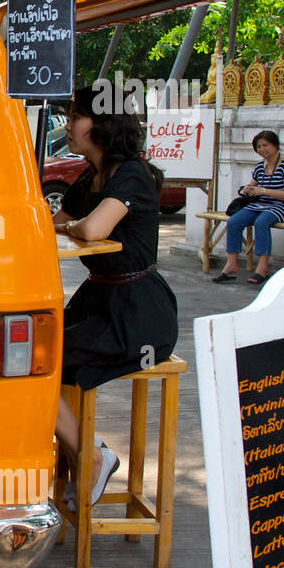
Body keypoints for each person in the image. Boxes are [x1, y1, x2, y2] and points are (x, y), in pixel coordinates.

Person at [52, 87, 178, 510]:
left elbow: (91, 230)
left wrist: (73, 227)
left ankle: (90, 455)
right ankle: (77, 453)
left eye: (76, 116)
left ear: (104, 125)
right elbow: (52, 222)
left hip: (138, 313)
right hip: (98, 300)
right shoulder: (90, 175)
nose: (68, 125)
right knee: (29, 352)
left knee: (38, 362)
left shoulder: (132, 175)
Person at [212, 130, 284, 285]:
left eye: (265, 145)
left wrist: (265, 191)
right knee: (234, 221)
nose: (262, 149)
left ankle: (262, 268)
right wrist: (247, 190)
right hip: (263, 204)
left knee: (261, 222)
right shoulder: (260, 166)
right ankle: (231, 264)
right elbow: (252, 186)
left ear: (275, 145)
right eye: (259, 146)